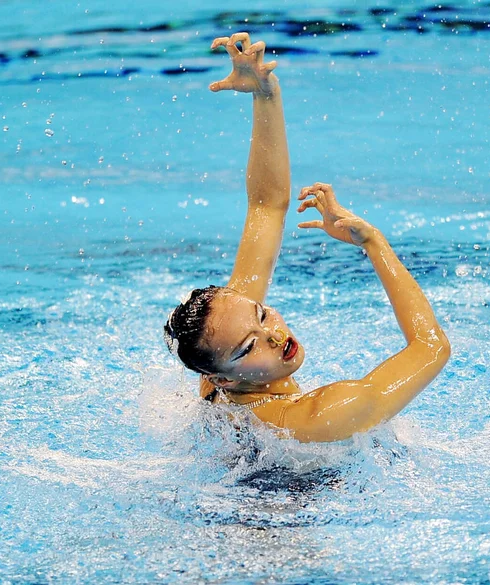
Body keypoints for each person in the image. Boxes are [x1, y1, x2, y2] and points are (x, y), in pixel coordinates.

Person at [164, 32, 450, 443]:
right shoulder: (321, 417)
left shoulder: (216, 377)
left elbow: (265, 206)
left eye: (263, 316)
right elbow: (431, 347)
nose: (276, 336)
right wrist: (374, 243)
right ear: (222, 380)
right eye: (249, 348)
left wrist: (265, 95)